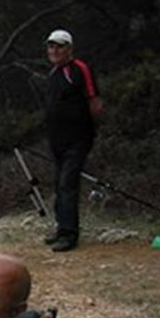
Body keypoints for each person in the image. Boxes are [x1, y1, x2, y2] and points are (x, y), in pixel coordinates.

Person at [43, 29, 104, 252]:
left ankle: (70, 235)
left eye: (59, 46)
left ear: (69, 48)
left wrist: (90, 128)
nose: (54, 50)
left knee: (68, 183)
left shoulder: (79, 69)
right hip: (56, 139)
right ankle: (61, 229)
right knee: (59, 183)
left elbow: (95, 101)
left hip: (77, 139)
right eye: (51, 46)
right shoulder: (53, 73)